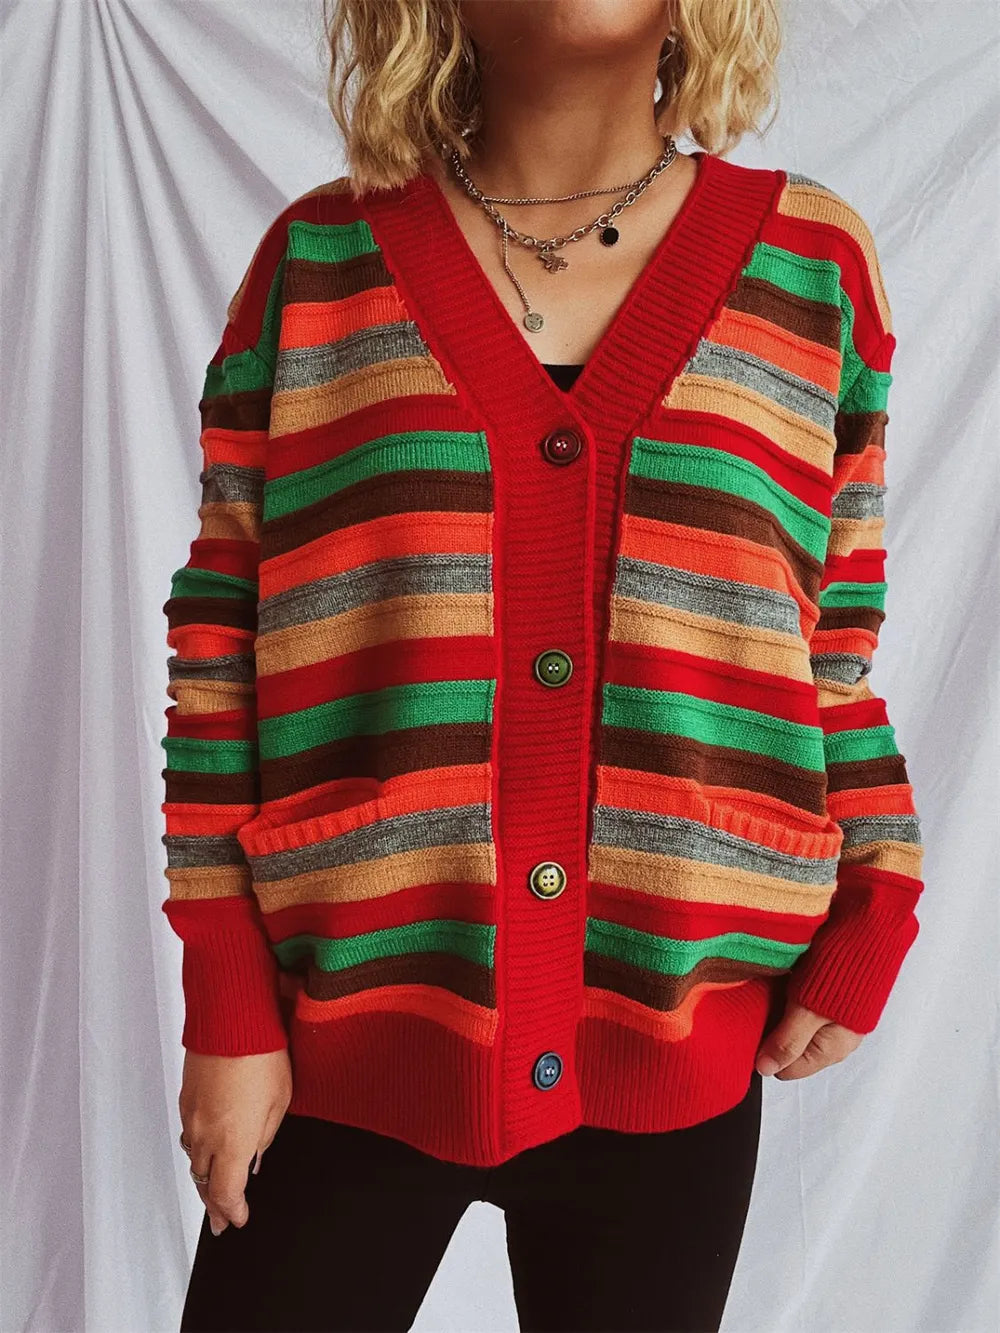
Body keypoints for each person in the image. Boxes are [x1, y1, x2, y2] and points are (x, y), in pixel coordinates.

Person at [160, 2, 925, 1330]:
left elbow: (830, 645)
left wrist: (881, 894)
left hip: (676, 1029)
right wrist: (226, 1000)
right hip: (349, 1024)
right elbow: (220, 654)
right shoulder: (320, 263)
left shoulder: (814, 267)